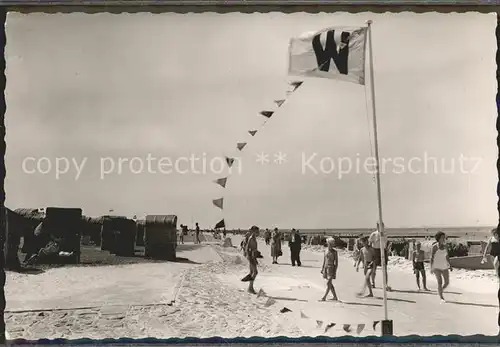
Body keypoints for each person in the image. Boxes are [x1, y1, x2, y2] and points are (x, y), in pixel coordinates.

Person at [481, 227, 500, 332]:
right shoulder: (491, 238)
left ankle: (498, 276)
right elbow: (487, 247)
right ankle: (497, 276)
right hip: (492, 254)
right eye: (495, 233)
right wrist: (483, 256)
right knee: (495, 265)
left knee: (497, 263)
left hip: (498, 254)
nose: (496, 234)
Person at [430, 231, 452, 302]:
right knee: (440, 282)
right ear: (438, 238)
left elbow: (447, 256)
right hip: (436, 267)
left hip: (444, 266)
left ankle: (440, 291)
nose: (444, 239)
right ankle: (441, 297)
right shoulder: (434, 247)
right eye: (442, 237)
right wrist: (431, 267)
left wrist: (450, 265)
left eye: (444, 237)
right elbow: (432, 257)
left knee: (447, 282)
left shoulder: (446, 246)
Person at [368, 222, 391, 291]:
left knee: (384, 268)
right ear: (377, 226)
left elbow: (386, 243)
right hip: (375, 251)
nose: (382, 227)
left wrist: (387, 250)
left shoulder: (385, 233)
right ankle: (373, 282)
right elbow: (370, 243)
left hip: (383, 251)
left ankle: (385, 284)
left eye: (382, 225)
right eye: (380, 225)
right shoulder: (374, 234)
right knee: (374, 268)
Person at [245, 225, 260, 294]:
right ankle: (250, 288)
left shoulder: (253, 238)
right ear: (254, 231)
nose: (258, 233)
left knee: (252, 272)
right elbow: (248, 249)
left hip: (252, 256)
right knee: (255, 272)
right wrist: (251, 257)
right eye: (257, 231)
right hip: (251, 257)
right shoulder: (251, 238)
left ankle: (250, 288)